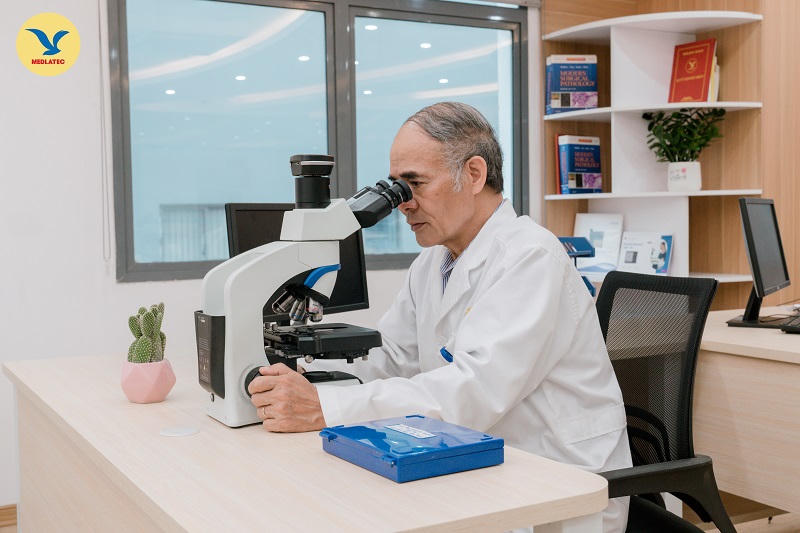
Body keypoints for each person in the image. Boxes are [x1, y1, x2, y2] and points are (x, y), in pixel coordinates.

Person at [248, 102, 632, 532]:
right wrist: (315, 384)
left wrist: (326, 408)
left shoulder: (531, 256)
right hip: (479, 460)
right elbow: (392, 358)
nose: (402, 204)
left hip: (556, 482)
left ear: (474, 174)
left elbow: (473, 390)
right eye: (396, 187)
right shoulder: (433, 262)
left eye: (414, 184)